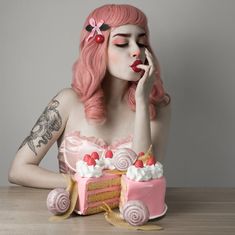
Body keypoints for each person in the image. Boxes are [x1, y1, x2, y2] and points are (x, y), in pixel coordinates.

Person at [8, 4, 171, 189]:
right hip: (73, 216)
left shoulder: (157, 106)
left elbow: (143, 180)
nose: (136, 51)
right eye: (122, 43)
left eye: (141, 43)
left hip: (130, 216)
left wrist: (142, 102)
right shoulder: (67, 102)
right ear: (98, 50)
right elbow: (18, 170)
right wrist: (79, 184)